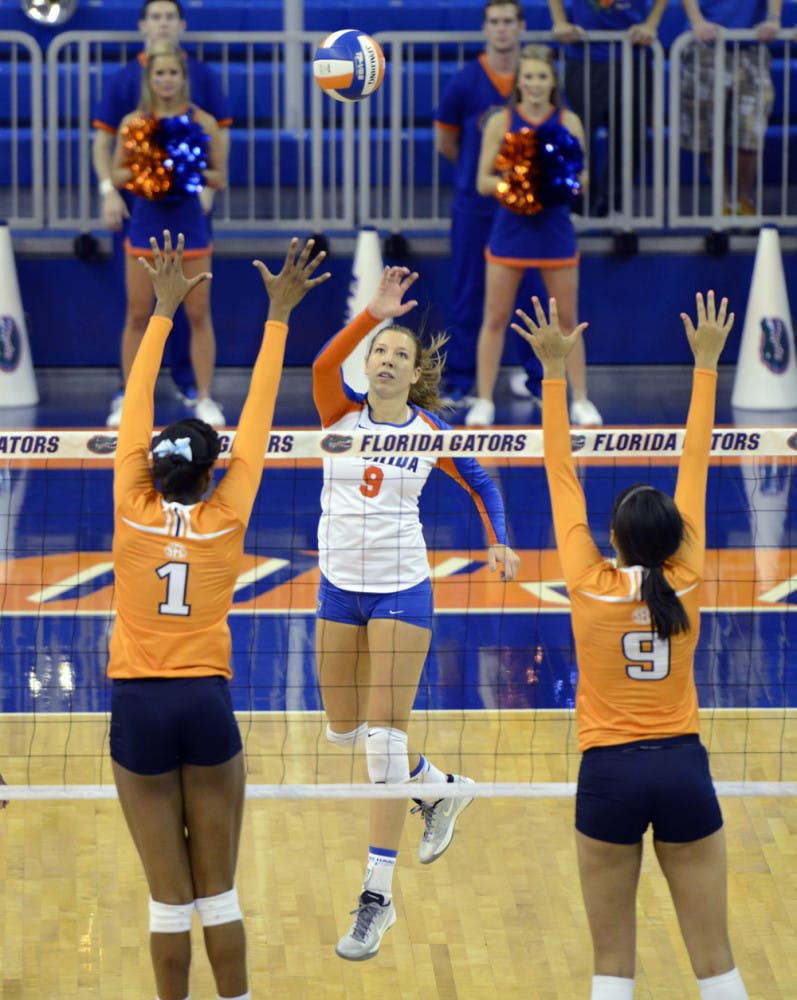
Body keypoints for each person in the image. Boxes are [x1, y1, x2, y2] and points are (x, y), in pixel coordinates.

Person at [108, 230, 329, 1000]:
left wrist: (162, 310)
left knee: (168, 902)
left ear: (151, 469)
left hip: (138, 704)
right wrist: (277, 320)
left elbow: (135, 407)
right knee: (220, 895)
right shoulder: (225, 517)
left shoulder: (129, 508)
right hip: (205, 703)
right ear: (211, 474)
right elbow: (260, 423)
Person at [513, 291, 746, 1000]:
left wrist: (553, 374)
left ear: (611, 541)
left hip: (607, 776)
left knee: (611, 969)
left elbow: (559, 472)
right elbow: (695, 458)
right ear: (676, 537)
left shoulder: (587, 581)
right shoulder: (689, 578)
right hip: (681, 768)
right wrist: (705, 364)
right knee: (717, 964)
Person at [312, 265, 521, 961]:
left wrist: (497, 539)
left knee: (381, 741)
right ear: (366, 362)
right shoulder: (336, 414)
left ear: (412, 373)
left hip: (403, 589)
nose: (388, 359)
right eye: (379, 350)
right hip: (338, 589)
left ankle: (377, 896)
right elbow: (318, 362)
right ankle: (439, 788)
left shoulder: (431, 431)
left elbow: (483, 480)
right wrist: (369, 315)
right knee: (342, 729)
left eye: (400, 353)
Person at [92, 0, 232, 424]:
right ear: (149, 78)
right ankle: (134, 396)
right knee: (138, 314)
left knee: (198, 314)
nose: (167, 79)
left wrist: (190, 173)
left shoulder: (204, 122)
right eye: (159, 74)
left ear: (182, 76)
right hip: (147, 226)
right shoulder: (135, 123)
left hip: (190, 227)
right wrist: (146, 173)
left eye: (173, 73)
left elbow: (220, 177)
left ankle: (205, 397)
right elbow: (117, 171)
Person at [465, 44, 602, 429]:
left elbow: (584, 176)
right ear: (519, 81)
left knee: (568, 319)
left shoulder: (568, 121)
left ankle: (581, 399)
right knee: (495, 317)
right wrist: (517, 187)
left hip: (555, 232)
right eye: (529, 76)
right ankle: (484, 400)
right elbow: (482, 181)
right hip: (510, 231)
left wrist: (558, 186)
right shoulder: (501, 120)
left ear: (553, 81)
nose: (535, 83)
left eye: (543, 76)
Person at [434, 0, 526, 406]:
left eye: (509, 21)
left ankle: (536, 376)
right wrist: (482, 177)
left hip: (526, 211)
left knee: (531, 294)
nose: (502, 29)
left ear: (521, 27)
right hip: (475, 207)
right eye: (495, 22)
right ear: (485, 28)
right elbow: (445, 143)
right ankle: (460, 380)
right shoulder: (465, 81)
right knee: (469, 292)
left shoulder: (535, 79)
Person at [547, 0, 668, 217]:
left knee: (631, 138)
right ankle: (580, 204)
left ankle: (615, 204)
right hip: (584, 57)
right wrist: (559, 21)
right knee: (578, 135)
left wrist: (651, 24)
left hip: (633, 57)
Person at [679, 0, 781, 216]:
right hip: (704, 45)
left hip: (751, 45)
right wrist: (697, 22)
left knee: (750, 132)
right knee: (708, 133)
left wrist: (773, 19)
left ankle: (745, 200)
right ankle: (723, 203)